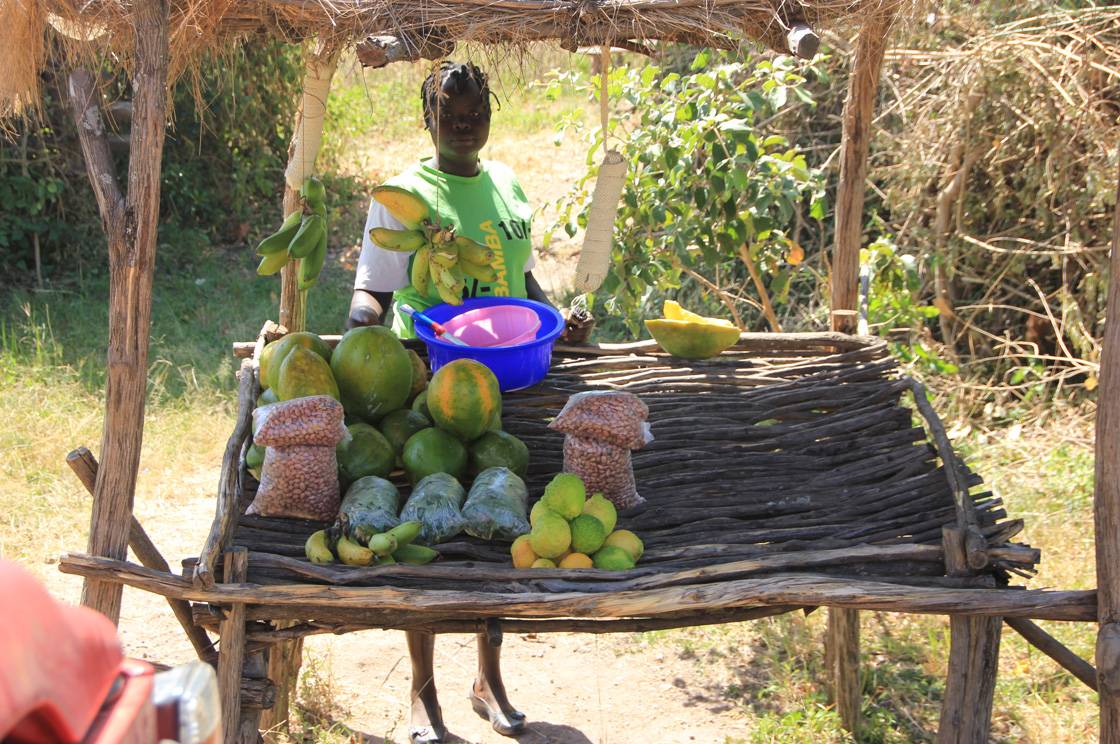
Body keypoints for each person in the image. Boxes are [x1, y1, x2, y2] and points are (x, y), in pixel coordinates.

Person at [347, 61, 541, 743]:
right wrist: (362, 321)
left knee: (497, 525)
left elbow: (522, 276)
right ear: (427, 118)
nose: (463, 126)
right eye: (449, 115)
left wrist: (559, 313)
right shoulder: (405, 192)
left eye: (474, 113)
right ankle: (422, 695)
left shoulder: (509, 181)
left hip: (510, 379)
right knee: (427, 525)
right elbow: (376, 284)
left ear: (490, 113)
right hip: (433, 385)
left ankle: (489, 681)